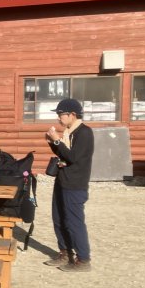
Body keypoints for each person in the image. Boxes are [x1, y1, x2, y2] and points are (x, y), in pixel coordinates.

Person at [44, 97, 94, 272]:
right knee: (58, 219)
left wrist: (57, 140)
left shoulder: (84, 133)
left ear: (72, 114)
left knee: (74, 222)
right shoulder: (69, 132)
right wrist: (52, 143)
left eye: (61, 114)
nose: (59, 117)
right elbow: (63, 154)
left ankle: (83, 260)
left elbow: (73, 157)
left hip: (75, 184)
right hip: (62, 181)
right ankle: (65, 252)